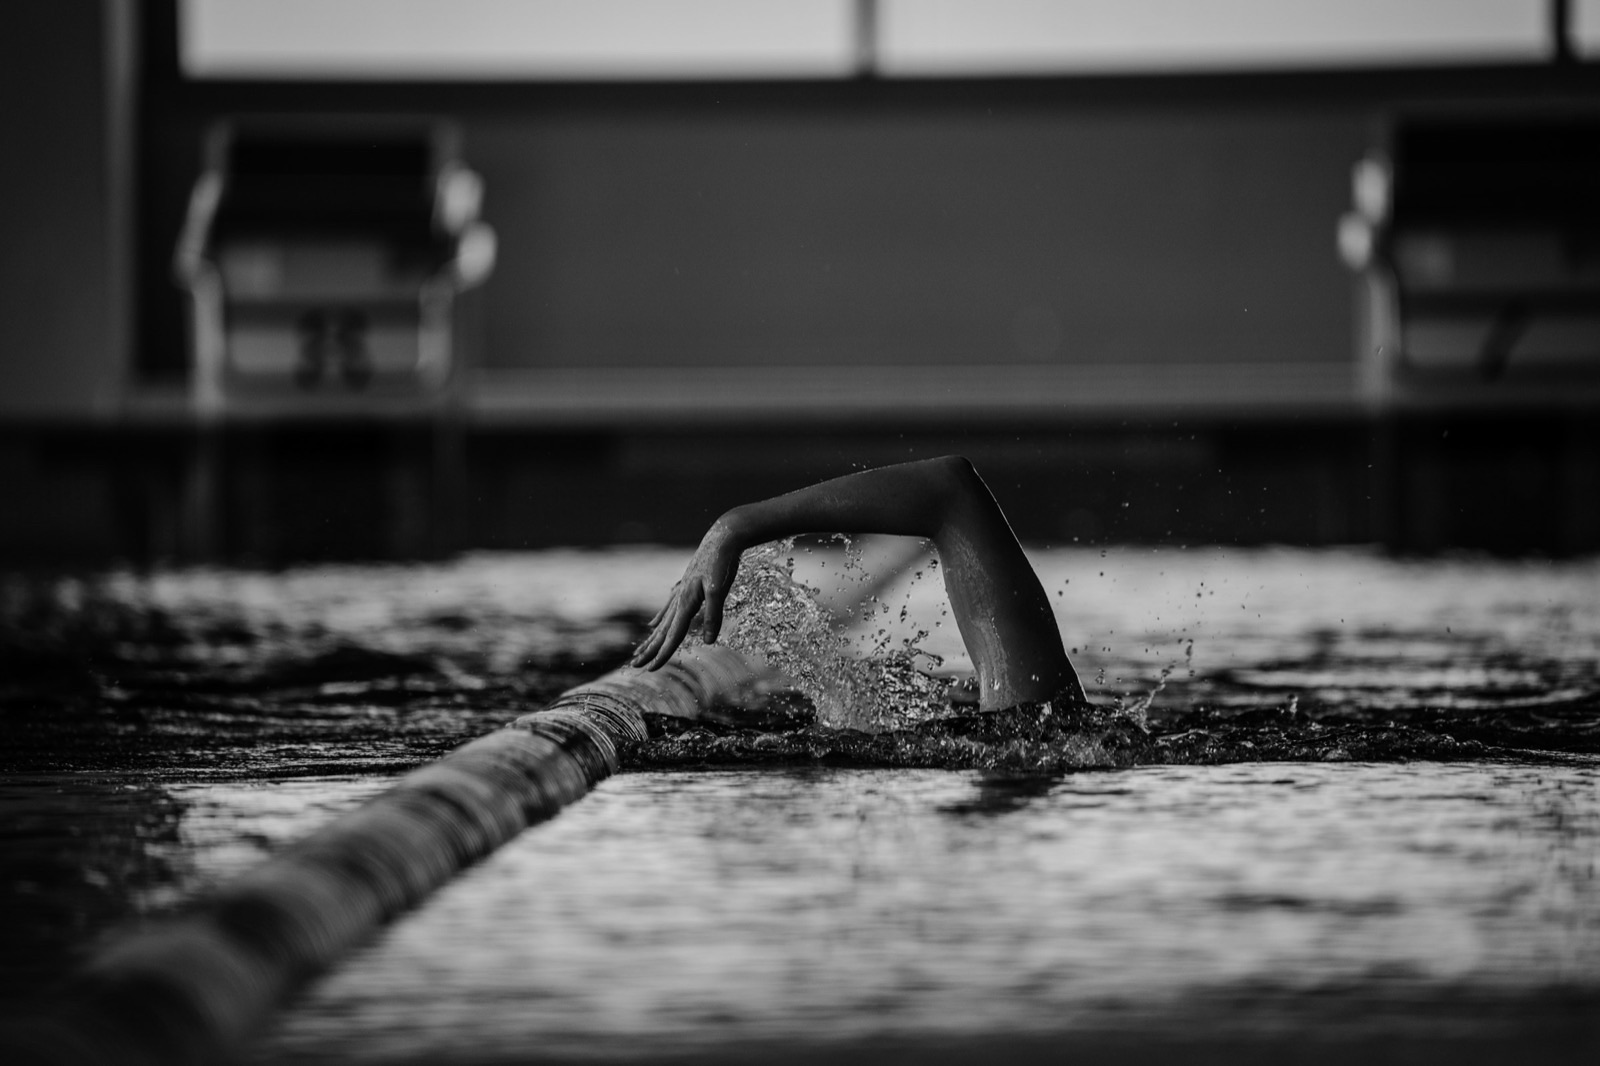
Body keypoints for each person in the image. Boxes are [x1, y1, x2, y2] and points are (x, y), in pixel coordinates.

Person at [630, 455, 1087, 714]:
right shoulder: (1035, 730)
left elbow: (953, 493)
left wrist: (734, 527)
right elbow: (953, 493)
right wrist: (735, 527)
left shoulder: (1029, 735)